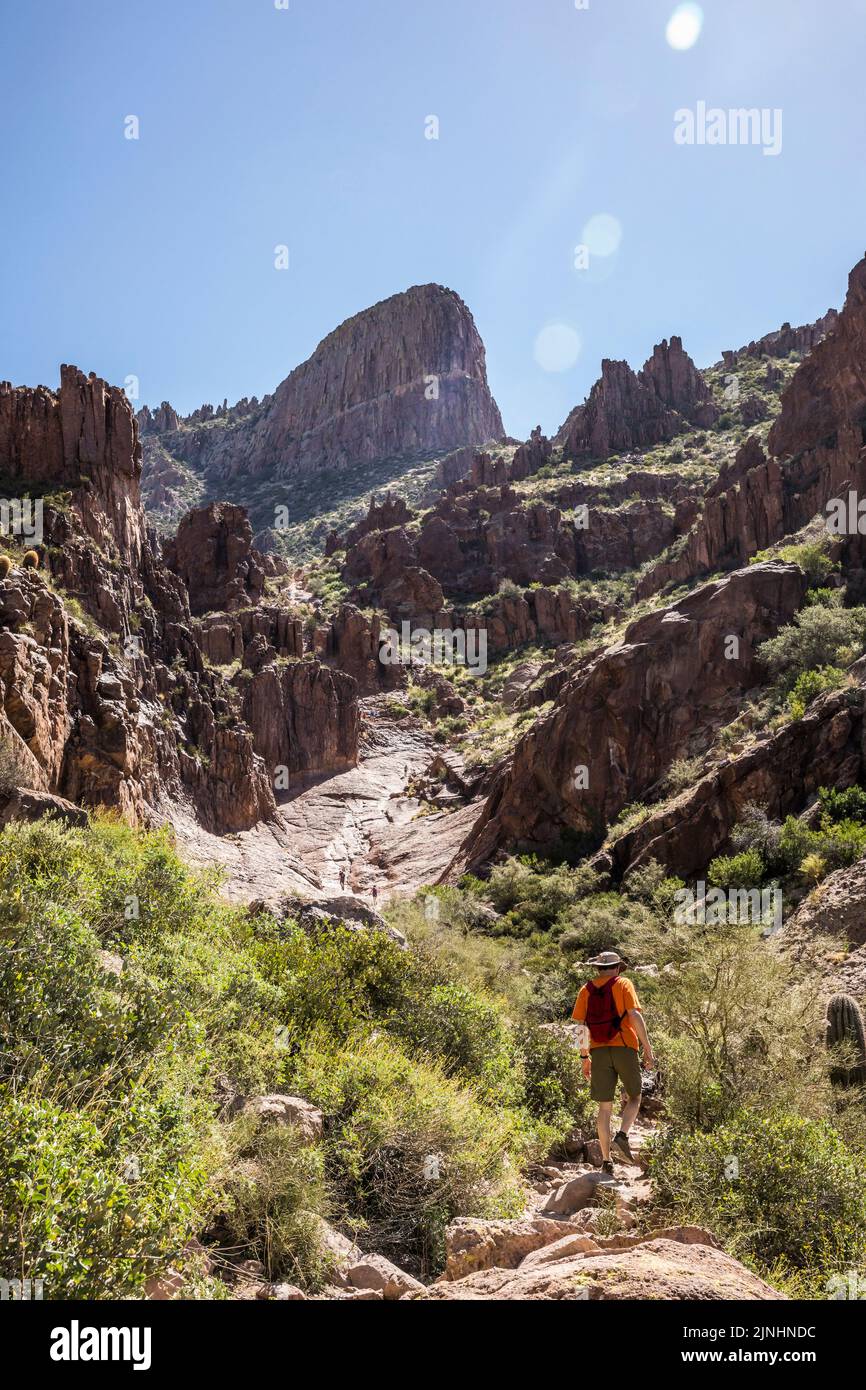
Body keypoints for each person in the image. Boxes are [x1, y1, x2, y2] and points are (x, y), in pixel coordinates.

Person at [571, 951, 654, 1176]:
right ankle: (623, 1136)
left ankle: (607, 1161)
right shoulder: (623, 983)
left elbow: (580, 1027)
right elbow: (634, 1016)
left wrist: (583, 1057)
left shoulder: (585, 990)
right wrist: (648, 1050)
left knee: (604, 1107)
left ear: (598, 968)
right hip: (625, 1047)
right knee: (635, 1096)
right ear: (617, 967)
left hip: (597, 1052)